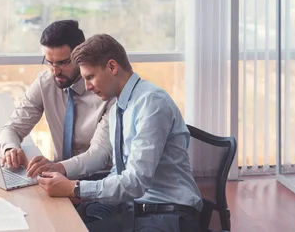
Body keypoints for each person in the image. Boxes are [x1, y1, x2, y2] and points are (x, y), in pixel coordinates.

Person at [37, 34, 202, 232]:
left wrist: (76, 187)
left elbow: (135, 182)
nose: (87, 86)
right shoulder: (118, 108)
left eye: (90, 77)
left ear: (112, 67)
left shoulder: (151, 102)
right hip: (133, 209)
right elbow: (109, 163)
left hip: (167, 214)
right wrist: (66, 178)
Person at [0, 20, 114, 177]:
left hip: (98, 180)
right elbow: (12, 128)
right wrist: (10, 149)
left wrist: (57, 168)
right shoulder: (46, 82)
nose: (55, 71)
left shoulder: (105, 91)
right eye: (49, 62)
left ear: (81, 56)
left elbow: (99, 155)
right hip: (57, 178)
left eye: (63, 63)